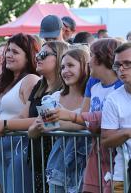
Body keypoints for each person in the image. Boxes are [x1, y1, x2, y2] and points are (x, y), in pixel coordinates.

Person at [51, 38, 122, 193]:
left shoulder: (121, 86)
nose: (88, 61)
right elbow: (85, 118)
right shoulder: (92, 82)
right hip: (96, 154)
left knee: (116, 188)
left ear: (103, 57)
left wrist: (69, 116)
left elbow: (102, 118)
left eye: (92, 56)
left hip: (118, 156)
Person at [0, 33, 40, 193]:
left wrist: (3, 124)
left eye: (15, 52)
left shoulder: (31, 79)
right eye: (8, 50)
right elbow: (1, 112)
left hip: (20, 145)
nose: (8, 54)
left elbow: (32, 118)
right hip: (1, 146)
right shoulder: (5, 80)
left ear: (28, 56)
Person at [32, 48, 90, 192]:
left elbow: (87, 124)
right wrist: (38, 127)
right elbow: (34, 130)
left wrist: (54, 125)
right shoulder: (53, 98)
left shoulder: (92, 96)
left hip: (86, 164)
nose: (65, 71)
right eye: (63, 67)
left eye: (71, 65)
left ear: (84, 66)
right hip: (59, 165)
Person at [100, 42, 131, 192]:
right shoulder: (113, 98)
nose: (122, 69)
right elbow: (105, 140)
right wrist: (127, 132)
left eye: (127, 64)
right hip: (123, 176)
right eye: (118, 65)